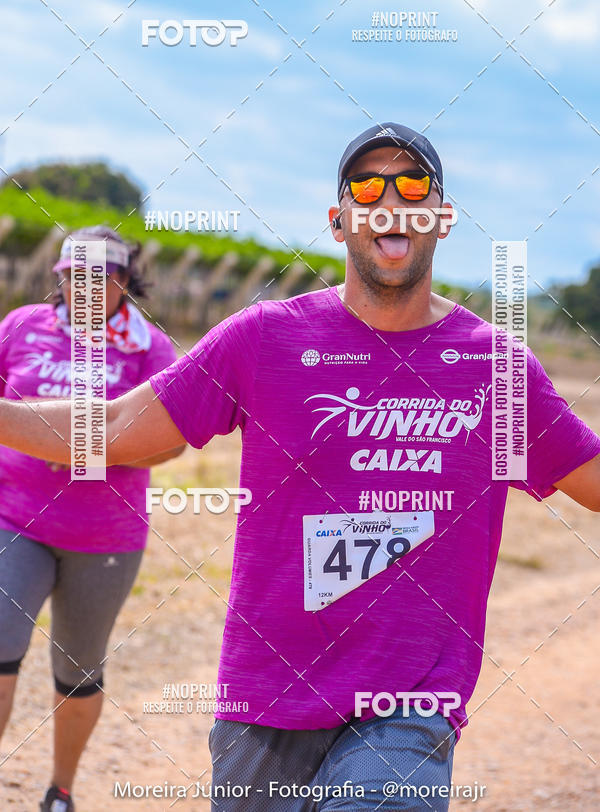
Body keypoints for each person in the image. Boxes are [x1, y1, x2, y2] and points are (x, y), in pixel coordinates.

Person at [1, 125, 599, 810]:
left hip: (408, 705)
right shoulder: (264, 339)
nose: (391, 201)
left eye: (413, 187)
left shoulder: (496, 371)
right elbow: (110, 429)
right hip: (266, 697)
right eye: (368, 187)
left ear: (441, 216)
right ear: (340, 221)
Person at [0, 225, 183, 812]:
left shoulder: (149, 349)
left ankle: (60, 788)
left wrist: (69, 442)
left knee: (76, 671)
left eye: (99, 276)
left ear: (124, 282)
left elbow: (170, 442)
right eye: (73, 275)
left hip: (104, 537)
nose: (84, 287)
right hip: (13, 519)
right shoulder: (22, 326)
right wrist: (92, 435)